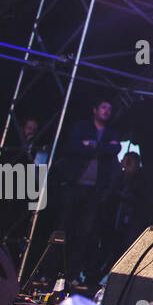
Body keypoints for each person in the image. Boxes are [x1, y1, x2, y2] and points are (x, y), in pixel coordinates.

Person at [54, 99, 121, 284]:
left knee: (84, 233)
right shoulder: (81, 127)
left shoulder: (111, 133)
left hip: (94, 190)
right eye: (103, 107)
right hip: (73, 185)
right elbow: (74, 147)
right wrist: (102, 148)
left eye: (109, 108)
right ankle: (50, 271)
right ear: (95, 109)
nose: (107, 111)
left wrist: (91, 145)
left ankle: (73, 274)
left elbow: (116, 148)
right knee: (62, 228)